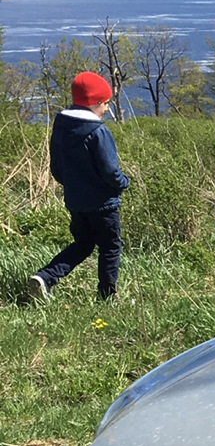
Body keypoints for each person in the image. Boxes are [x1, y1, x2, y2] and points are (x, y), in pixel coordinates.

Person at [24, 72, 129, 303]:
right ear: (96, 103)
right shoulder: (98, 132)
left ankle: (44, 278)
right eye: (106, 104)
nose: (106, 109)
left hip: (75, 201)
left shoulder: (61, 127)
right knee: (111, 247)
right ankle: (107, 298)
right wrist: (123, 183)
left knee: (83, 243)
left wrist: (73, 185)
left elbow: (56, 168)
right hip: (104, 203)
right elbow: (110, 171)